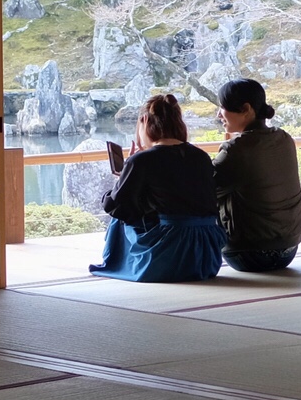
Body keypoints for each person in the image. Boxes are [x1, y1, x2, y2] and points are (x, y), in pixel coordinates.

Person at [89, 93, 226, 282]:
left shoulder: (142, 160)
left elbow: (116, 206)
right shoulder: (200, 157)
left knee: (119, 216)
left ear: (144, 120)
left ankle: (119, 263)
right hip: (206, 254)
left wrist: (123, 178)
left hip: (170, 253)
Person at [213, 78, 301, 272]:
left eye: (222, 107)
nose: (218, 115)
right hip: (289, 250)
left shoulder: (236, 150)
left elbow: (203, 189)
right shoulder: (284, 139)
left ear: (246, 109)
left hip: (247, 254)